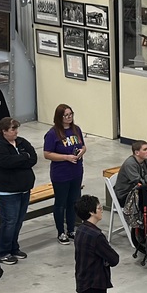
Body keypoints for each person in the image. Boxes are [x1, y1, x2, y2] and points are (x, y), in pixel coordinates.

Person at [0, 117, 37, 265]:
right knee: (9, 222)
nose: (16, 132)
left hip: (24, 189)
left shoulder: (21, 142)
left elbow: (33, 158)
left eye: (16, 128)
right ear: (4, 131)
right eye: (13, 129)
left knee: (18, 221)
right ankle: (3, 252)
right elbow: (6, 163)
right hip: (6, 192)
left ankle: (14, 248)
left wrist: (19, 159)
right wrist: (23, 158)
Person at [43, 104, 86, 245]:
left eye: (71, 114)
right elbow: (47, 154)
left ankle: (71, 229)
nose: (69, 117)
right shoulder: (52, 134)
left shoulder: (76, 129)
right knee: (61, 203)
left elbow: (83, 146)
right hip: (61, 173)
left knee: (73, 201)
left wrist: (82, 152)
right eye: (66, 115)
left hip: (76, 171)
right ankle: (60, 231)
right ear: (59, 117)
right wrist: (66, 157)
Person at [73, 194, 119, 293]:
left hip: (83, 281)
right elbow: (114, 259)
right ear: (91, 212)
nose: (101, 210)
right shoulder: (97, 236)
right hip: (95, 284)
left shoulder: (80, 230)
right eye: (99, 208)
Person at [113, 140, 147, 205]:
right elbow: (138, 181)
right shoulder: (130, 164)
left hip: (138, 191)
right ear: (137, 152)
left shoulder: (146, 160)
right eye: (145, 149)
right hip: (125, 196)